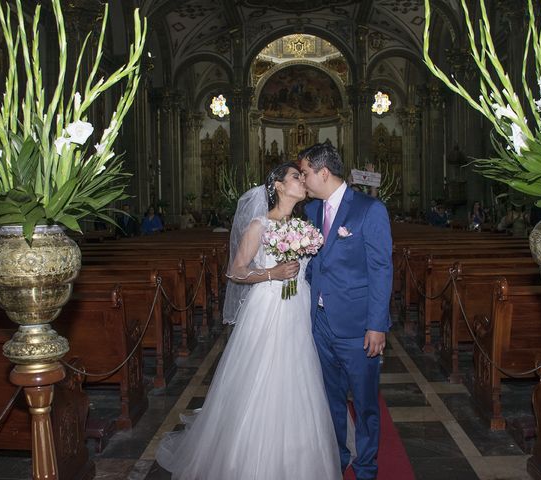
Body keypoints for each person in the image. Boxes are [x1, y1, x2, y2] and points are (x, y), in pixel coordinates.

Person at [156, 162, 340, 480]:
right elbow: (236, 271)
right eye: (296, 176)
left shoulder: (305, 224)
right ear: (279, 186)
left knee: (299, 373)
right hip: (269, 306)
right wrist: (273, 272)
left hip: (298, 305)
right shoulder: (260, 225)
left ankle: (298, 452)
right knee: (265, 375)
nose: (302, 181)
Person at [299, 143, 393, 480]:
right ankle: (337, 459)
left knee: (366, 404)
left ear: (324, 172)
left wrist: (377, 325)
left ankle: (366, 468)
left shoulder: (369, 209)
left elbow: (381, 269)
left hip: (358, 326)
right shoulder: (311, 213)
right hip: (320, 322)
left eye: (306, 173)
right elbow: (314, 266)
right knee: (330, 400)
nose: (303, 179)